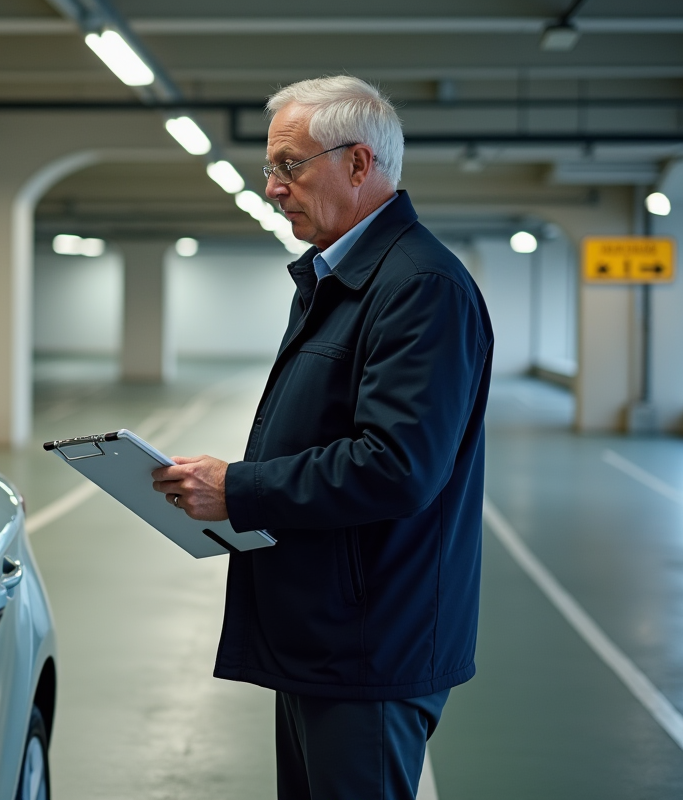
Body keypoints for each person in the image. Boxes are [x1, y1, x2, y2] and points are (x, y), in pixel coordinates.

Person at [151, 76, 493, 799]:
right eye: (271, 168)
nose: (273, 187)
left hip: (370, 639)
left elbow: (398, 465)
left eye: (289, 166)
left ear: (360, 164)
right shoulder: (345, 279)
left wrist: (236, 488)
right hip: (329, 629)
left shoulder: (417, 286)